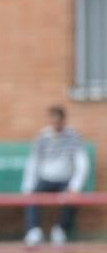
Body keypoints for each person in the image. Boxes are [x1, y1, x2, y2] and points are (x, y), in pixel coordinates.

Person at [22, 105, 91, 245]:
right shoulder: (42, 137)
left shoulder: (74, 137)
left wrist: (75, 187)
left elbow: (82, 164)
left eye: (58, 120)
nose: (55, 124)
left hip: (65, 181)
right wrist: (28, 186)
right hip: (45, 180)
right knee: (32, 195)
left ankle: (60, 231)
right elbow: (33, 162)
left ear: (64, 121)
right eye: (52, 120)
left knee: (74, 198)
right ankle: (34, 231)